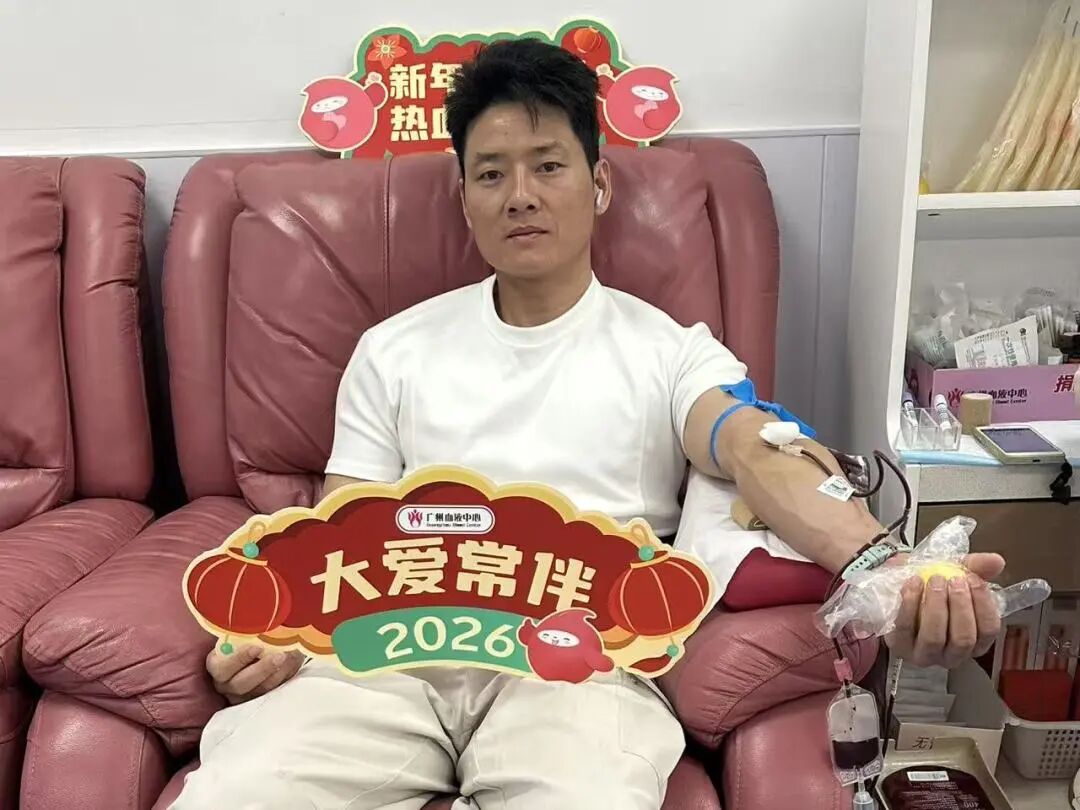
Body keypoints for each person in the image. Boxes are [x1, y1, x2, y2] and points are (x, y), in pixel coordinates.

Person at [172, 39, 1005, 810]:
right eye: (491, 173)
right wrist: (280, 636)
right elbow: (339, 536)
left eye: (548, 165)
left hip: (580, 661)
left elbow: (756, 448)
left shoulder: (672, 352)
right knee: (238, 793)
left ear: (598, 183)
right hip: (389, 656)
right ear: (463, 198)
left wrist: (888, 569)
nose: (521, 195)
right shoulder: (392, 351)